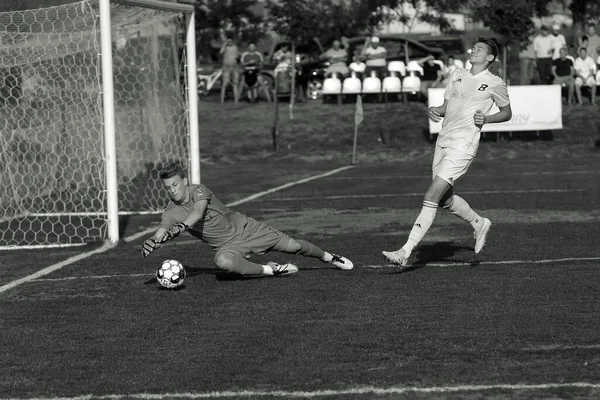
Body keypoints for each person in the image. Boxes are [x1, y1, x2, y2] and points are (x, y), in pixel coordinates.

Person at [382, 38, 512, 268]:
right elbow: (446, 106)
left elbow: (507, 113)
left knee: (431, 195)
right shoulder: (457, 74)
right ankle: (479, 222)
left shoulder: (495, 83)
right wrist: (436, 110)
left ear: (490, 58)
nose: (474, 50)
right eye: (475, 47)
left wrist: (487, 119)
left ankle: (404, 251)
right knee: (444, 199)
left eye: (480, 49)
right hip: (444, 140)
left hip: (464, 144)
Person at [142, 163, 354, 277]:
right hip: (226, 246)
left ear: (185, 181)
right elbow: (161, 232)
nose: (172, 191)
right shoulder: (170, 211)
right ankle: (272, 270)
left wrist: (180, 227)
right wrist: (154, 242)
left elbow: (197, 212)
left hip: (247, 229)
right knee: (222, 262)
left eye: (175, 185)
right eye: (167, 188)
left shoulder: (198, 190)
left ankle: (329, 257)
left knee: (296, 246)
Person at [220, 38, 240, 104]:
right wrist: (224, 44)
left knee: (235, 84)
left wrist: (236, 60)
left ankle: (236, 100)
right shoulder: (225, 47)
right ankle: (222, 100)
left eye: (230, 41)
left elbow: (237, 55)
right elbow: (221, 52)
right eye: (228, 41)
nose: (229, 42)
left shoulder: (235, 47)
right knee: (225, 84)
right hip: (226, 67)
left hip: (234, 67)